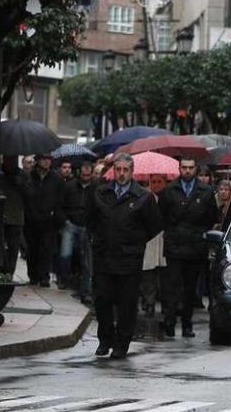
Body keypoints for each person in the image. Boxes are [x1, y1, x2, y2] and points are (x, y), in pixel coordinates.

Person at [86, 153, 163, 359]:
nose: (121, 174)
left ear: (132, 171)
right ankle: (105, 339)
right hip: (104, 255)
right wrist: (100, 239)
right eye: (118, 169)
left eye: (125, 170)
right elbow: (91, 219)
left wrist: (135, 242)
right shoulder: (101, 192)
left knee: (126, 304)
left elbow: (154, 226)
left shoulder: (143, 197)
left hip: (129, 259)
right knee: (102, 300)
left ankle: (122, 343)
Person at [158, 158, 218, 338]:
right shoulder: (169, 191)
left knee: (190, 288)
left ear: (195, 169)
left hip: (194, 246)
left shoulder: (206, 191)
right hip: (175, 244)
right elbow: (162, 216)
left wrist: (198, 233)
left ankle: (186, 323)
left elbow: (211, 217)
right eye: (184, 167)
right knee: (171, 287)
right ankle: (169, 321)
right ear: (179, 168)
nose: (187, 171)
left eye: (191, 168)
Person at [25, 153, 66, 287]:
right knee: (32, 248)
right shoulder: (30, 176)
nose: (47, 162)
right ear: (38, 160)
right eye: (44, 159)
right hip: (31, 219)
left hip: (49, 219)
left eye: (49, 159)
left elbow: (60, 199)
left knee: (46, 248)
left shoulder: (56, 178)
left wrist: (57, 216)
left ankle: (44, 276)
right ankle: (33, 275)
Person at [61, 162, 95, 301]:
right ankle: (66, 278)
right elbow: (61, 204)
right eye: (83, 175)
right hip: (71, 223)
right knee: (65, 254)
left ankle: (85, 290)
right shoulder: (70, 187)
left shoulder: (95, 188)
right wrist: (65, 220)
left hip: (86, 225)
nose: (86, 177)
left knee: (86, 261)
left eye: (88, 175)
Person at [141, 174, 168, 317]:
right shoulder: (144, 197)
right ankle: (149, 302)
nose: (156, 185)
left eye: (159, 182)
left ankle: (165, 305)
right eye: (153, 182)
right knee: (148, 274)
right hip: (150, 239)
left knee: (164, 276)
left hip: (164, 239)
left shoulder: (168, 197)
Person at [0, 156, 30, 275]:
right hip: (0, 216)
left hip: (15, 216)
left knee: (13, 248)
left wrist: (21, 184)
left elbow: (29, 194)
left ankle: (9, 273)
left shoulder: (23, 175)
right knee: (0, 248)